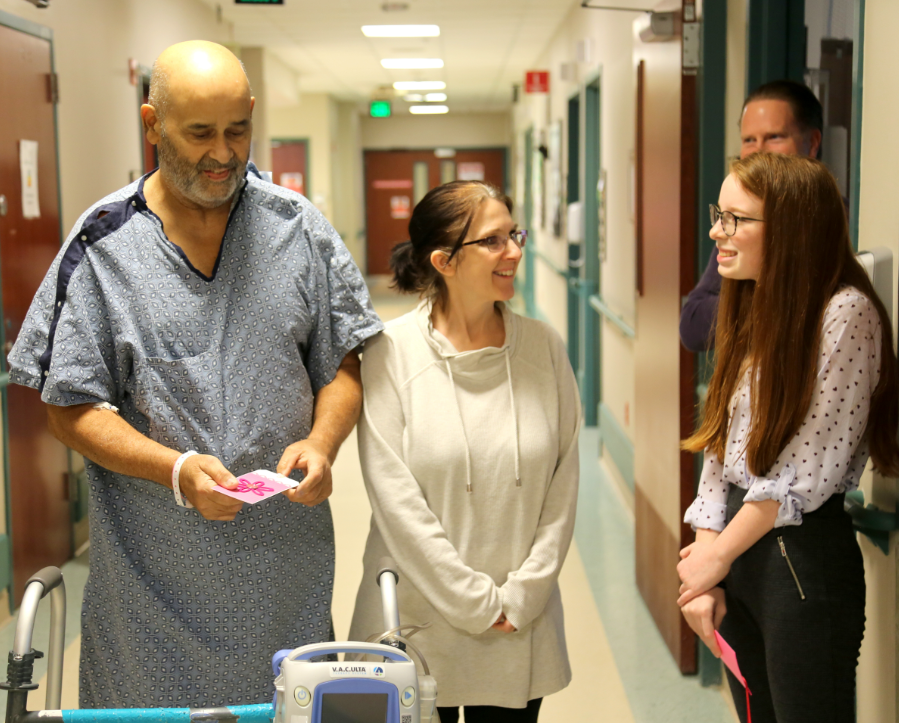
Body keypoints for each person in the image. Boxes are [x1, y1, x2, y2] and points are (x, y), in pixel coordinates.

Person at [7, 41, 383, 708]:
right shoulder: (102, 250)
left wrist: (323, 443)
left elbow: (343, 364)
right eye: (200, 132)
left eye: (237, 130)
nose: (223, 153)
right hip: (150, 593)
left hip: (283, 578)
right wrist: (174, 470)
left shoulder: (298, 231)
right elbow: (69, 406)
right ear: (152, 124)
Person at [677, 152, 899, 723]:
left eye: (734, 219)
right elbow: (720, 446)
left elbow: (800, 473)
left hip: (797, 557)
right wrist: (705, 565)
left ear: (792, 229)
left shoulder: (845, 314)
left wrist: (713, 559)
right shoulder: (751, 301)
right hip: (736, 549)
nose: (715, 233)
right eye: (717, 214)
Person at [347, 181, 580, 722]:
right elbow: (395, 501)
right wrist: (475, 602)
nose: (515, 252)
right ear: (444, 261)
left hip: (518, 621)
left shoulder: (543, 349)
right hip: (416, 619)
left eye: (513, 234)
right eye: (493, 241)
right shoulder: (389, 353)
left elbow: (563, 488)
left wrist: (522, 595)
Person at [679, 79, 824, 352]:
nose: (758, 151)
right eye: (749, 140)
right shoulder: (736, 224)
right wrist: (778, 299)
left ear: (812, 142)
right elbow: (693, 323)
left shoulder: (832, 219)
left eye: (774, 137)